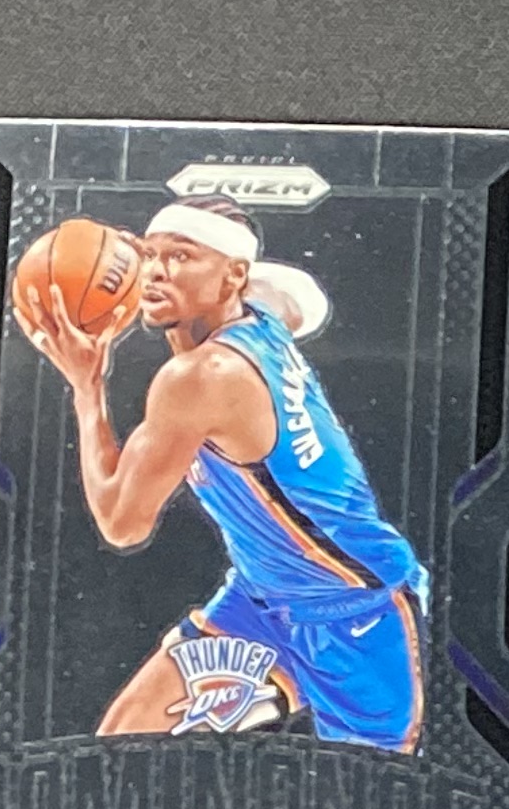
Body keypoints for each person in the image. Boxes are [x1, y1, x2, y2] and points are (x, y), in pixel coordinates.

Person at [22, 195, 429, 746]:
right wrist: (200, 272)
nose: (156, 272)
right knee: (122, 744)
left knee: (372, 791)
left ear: (235, 275)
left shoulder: (202, 376)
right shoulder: (261, 317)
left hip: (356, 611)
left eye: (181, 256)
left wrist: (87, 386)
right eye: (150, 255)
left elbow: (121, 523)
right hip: (260, 604)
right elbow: (298, 299)